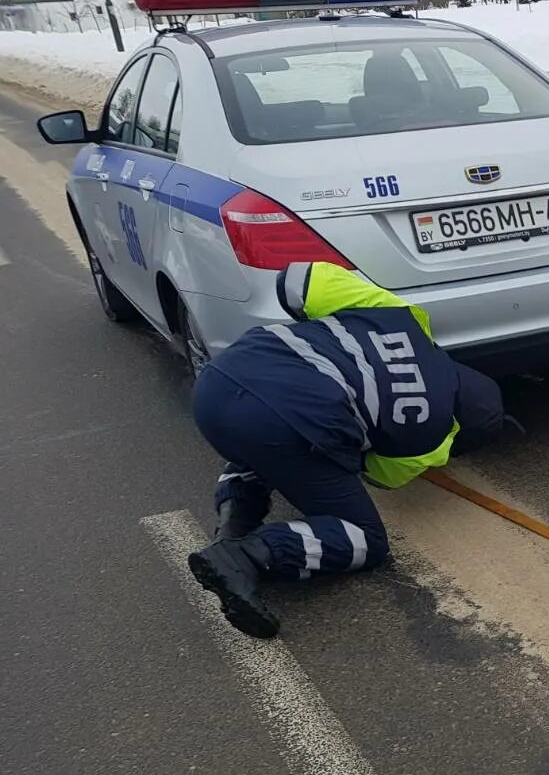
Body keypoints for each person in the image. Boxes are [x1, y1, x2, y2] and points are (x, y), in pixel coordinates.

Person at [187, 261, 506, 639]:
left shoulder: (398, 315)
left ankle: (230, 532)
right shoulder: (433, 434)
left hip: (219, 382)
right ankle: (252, 555)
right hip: (277, 426)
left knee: (275, 447)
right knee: (366, 538)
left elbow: (297, 282)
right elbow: (373, 474)